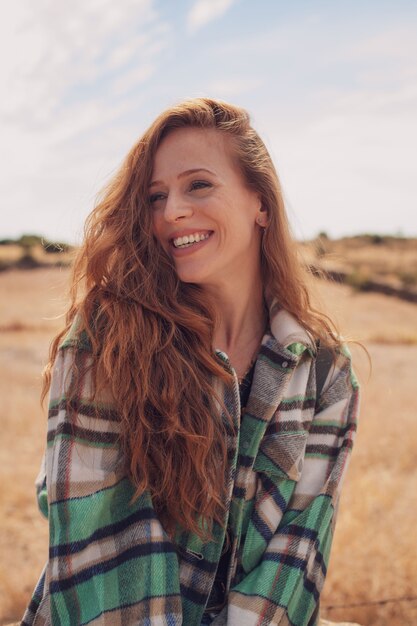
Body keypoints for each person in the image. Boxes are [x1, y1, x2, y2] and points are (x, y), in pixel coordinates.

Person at [22, 98, 359, 626]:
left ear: (260, 203)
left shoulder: (325, 371)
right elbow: (96, 545)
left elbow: (296, 557)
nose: (171, 212)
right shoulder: (107, 339)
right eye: (156, 196)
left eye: (198, 185)